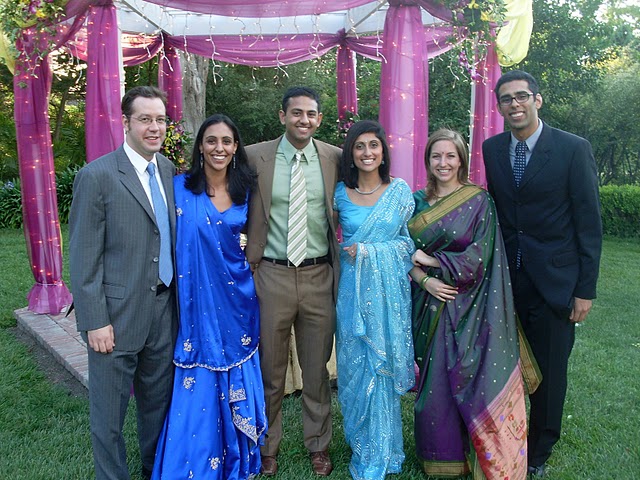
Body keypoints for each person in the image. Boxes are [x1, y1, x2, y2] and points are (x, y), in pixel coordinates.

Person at [483, 70, 602, 477]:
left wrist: (585, 290)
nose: (514, 104)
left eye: (521, 96)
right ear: (498, 107)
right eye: (506, 99)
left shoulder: (572, 149)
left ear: (538, 99)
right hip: (506, 283)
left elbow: (588, 222)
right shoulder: (492, 148)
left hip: (556, 283)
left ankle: (538, 453)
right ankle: (506, 435)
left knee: (550, 374)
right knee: (505, 368)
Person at [409, 129, 536, 479]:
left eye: (451, 156)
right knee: (434, 382)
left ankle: (493, 453)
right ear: (428, 160)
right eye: (437, 156)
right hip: (428, 305)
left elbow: (481, 255)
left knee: (476, 378)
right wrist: (424, 279)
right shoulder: (416, 202)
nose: (443, 163)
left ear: (462, 159)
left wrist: (435, 263)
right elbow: (401, 254)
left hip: (475, 305)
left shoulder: (479, 200)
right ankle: (443, 457)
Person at [69, 86, 178, 480]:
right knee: (109, 414)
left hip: (164, 310)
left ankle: (155, 469)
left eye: (160, 119)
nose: (154, 127)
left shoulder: (166, 170)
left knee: (157, 404)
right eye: (145, 119)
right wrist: (94, 320)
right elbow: (83, 258)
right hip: (115, 316)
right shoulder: (96, 176)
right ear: (126, 121)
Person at [151, 114, 267, 479]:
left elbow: (257, 240)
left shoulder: (247, 188)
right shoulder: (178, 188)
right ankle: (193, 462)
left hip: (237, 297)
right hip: (194, 303)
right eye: (212, 140)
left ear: (236, 148)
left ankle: (237, 454)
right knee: (197, 370)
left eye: (227, 141)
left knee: (233, 361)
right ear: (200, 145)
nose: (220, 148)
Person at [244, 86, 341, 477]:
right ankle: (267, 446)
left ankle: (318, 444)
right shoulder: (254, 156)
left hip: (319, 274)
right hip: (272, 273)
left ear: (319, 119)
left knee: (317, 370)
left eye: (311, 114)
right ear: (282, 116)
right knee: (270, 368)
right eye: (296, 113)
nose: (304, 120)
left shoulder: (334, 157)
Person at [333, 120, 415, 480]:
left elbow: (407, 245)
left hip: (385, 299)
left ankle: (382, 450)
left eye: (374, 146)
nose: (368, 152)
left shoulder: (399, 192)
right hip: (350, 294)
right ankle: (360, 442)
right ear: (351, 153)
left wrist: (368, 251)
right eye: (360, 146)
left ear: (383, 151)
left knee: (378, 370)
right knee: (353, 369)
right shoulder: (338, 193)